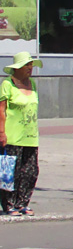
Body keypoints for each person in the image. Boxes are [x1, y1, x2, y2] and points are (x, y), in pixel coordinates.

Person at [0, 52, 41, 217]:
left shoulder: (32, 84)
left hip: (30, 136)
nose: (30, 68)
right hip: (12, 136)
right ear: (17, 68)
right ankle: (9, 205)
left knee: (31, 171)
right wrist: (1, 132)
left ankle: (23, 203)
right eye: (26, 65)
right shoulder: (7, 84)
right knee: (10, 172)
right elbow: (1, 110)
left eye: (31, 65)